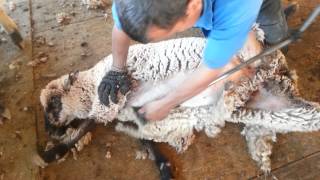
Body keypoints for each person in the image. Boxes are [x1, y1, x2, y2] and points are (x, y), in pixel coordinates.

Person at [98, 0, 290, 121]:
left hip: (241, 5)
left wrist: (166, 103)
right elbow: (123, 25)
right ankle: (235, 31)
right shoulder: (132, 4)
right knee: (229, 34)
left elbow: (210, 69)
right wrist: (117, 68)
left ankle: (249, 30)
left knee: (274, 47)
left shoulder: (236, 5)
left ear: (192, 6)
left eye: (170, 32)